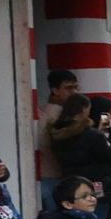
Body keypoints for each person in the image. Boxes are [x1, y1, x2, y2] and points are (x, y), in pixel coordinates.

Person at [34, 69, 79, 203]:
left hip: (47, 175)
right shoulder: (60, 116)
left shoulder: (41, 112)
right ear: (55, 90)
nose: (75, 92)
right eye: (69, 88)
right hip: (54, 175)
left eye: (76, 88)